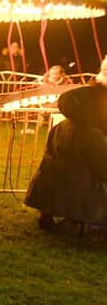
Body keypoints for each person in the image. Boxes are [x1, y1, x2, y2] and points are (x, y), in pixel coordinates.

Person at [25, 56, 107, 230]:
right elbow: (102, 167)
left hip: (49, 180)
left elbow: (49, 151)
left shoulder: (61, 126)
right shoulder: (91, 134)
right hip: (76, 186)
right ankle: (90, 221)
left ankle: (49, 215)